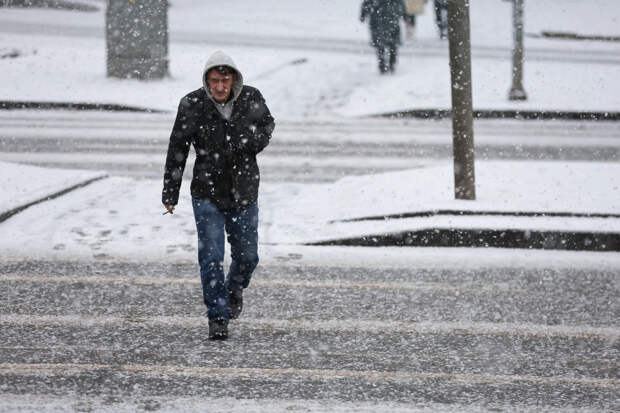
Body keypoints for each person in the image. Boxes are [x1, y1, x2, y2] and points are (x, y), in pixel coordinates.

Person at [162, 50, 275, 340]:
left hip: (244, 190)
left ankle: (234, 287)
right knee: (210, 256)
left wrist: (251, 142)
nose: (220, 87)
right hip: (207, 191)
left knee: (248, 257)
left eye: (225, 81)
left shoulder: (251, 98)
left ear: (234, 80)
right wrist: (169, 192)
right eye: (214, 81)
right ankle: (217, 316)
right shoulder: (192, 104)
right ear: (206, 81)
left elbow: (268, 124)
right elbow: (178, 147)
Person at [360, 0, 406, 74]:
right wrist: (404, 15)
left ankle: (383, 64)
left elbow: (366, 3)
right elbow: (400, 4)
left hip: (378, 20)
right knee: (391, 45)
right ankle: (390, 63)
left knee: (381, 44)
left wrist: (363, 14)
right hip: (390, 19)